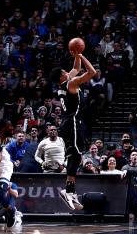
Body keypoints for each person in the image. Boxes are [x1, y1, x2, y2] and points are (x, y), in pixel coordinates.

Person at [49, 51, 97, 211]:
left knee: (73, 156)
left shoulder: (63, 84)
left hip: (66, 123)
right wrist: (83, 56)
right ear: (62, 77)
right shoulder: (71, 84)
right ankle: (69, 191)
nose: (68, 72)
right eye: (64, 72)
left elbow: (76, 68)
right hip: (73, 122)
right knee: (76, 156)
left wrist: (77, 54)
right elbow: (92, 72)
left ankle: (70, 190)